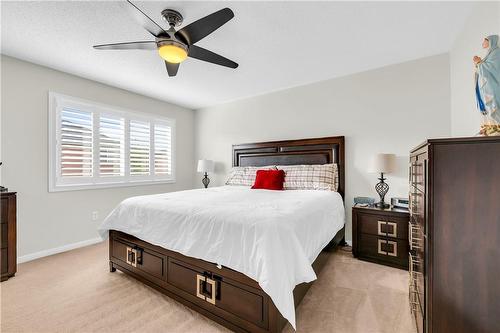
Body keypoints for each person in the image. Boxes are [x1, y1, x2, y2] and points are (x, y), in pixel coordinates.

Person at [473, 35, 500, 135]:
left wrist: (479, 62)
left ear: (491, 41)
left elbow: (493, 69)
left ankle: (496, 127)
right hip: (485, 87)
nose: (483, 43)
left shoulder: (497, 53)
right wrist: (478, 63)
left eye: (485, 41)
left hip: (492, 86)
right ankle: (489, 126)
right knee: (486, 106)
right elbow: (483, 68)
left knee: (493, 105)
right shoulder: (489, 54)